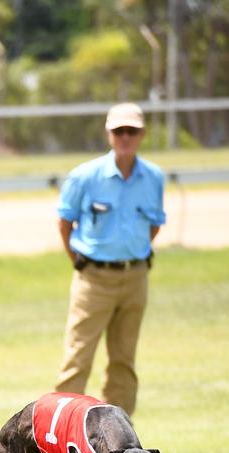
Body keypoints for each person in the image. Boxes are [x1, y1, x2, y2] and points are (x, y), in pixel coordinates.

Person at [54, 103, 165, 415]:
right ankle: (61, 433)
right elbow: (65, 222)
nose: (125, 137)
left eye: (132, 131)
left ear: (142, 134)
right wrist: (78, 259)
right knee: (77, 359)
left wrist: (133, 254)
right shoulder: (85, 176)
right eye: (119, 131)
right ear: (109, 133)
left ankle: (118, 438)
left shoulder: (154, 177)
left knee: (124, 361)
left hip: (135, 277)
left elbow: (154, 224)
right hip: (93, 278)